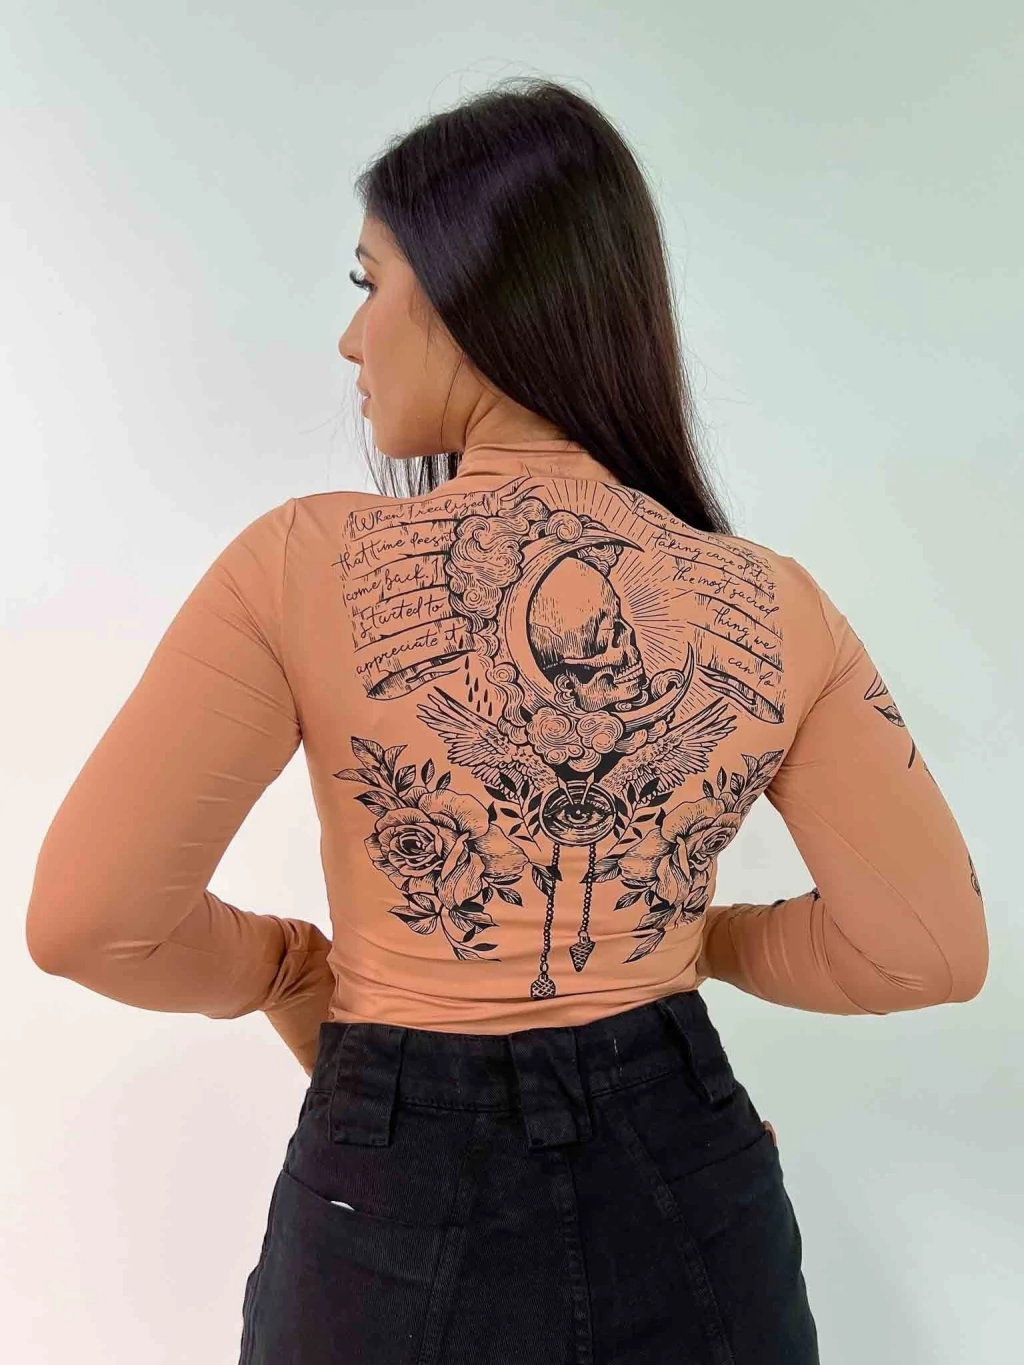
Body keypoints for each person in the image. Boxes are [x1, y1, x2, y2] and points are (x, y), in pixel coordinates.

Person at [25, 78, 988, 1365]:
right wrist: (689, 940)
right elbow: (926, 952)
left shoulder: (301, 564)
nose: (350, 340)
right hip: (693, 1186)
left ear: (467, 291)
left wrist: (288, 972)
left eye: (368, 283)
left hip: (388, 1201)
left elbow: (89, 920)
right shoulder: (774, 603)